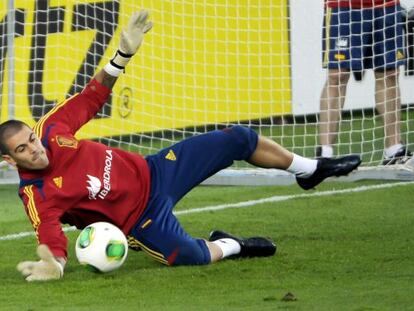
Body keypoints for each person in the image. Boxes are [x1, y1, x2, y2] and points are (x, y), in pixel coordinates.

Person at [0, 10, 361, 282]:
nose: (35, 149)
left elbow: (91, 97)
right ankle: (234, 245)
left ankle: (309, 170)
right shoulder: (37, 193)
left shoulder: (51, 128)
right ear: (9, 160)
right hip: (141, 220)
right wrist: (55, 264)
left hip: (156, 170)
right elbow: (49, 233)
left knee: (236, 138)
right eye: (23, 150)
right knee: (192, 255)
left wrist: (121, 56)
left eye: (30, 139)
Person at [318, 0, 412, 164]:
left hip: (386, 5)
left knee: (389, 73)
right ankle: (325, 154)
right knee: (337, 75)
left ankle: (394, 150)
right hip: (343, 5)